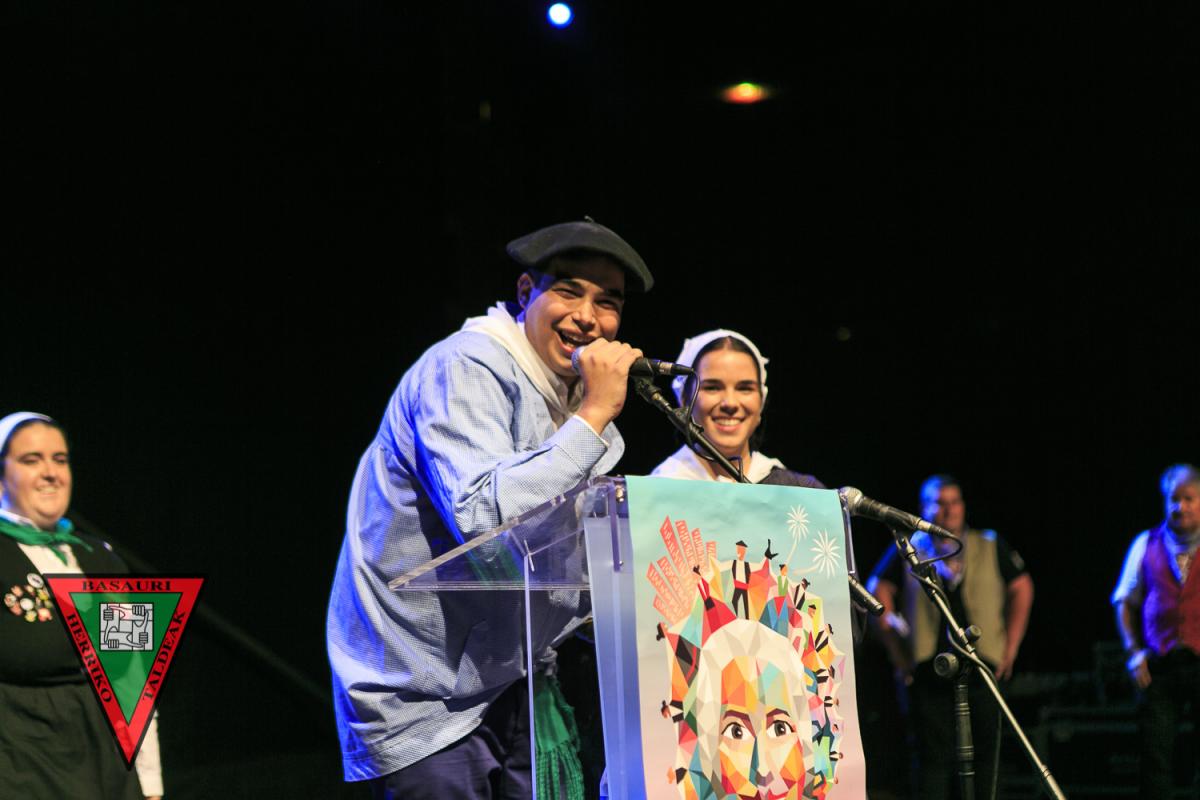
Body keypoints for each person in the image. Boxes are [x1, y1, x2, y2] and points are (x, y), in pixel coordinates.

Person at [326, 220, 654, 799]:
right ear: (526, 292)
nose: (588, 317)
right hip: (422, 697)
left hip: (514, 680)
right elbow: (482, 516)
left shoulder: (568, 392)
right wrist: (594, 417)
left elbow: (557, 548)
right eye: (569, 291)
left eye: (608, 302)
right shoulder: (466, 366)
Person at [0, 412, 163, 800]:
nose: (50, 473)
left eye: (60, 459)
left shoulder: (102, 559)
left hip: (107, 767)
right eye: (31, 460)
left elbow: (131, 679)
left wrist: (151, 784)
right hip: (21, 766)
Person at [867, 474, 1033, 800]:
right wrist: (897, 652)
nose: (949, 510)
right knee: (933, 758)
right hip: (930, 667)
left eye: (955, 502)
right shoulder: (911, 546)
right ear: (924, 508)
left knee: (988, 755)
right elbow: (877, 588)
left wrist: (1011, 646)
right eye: (940, 503)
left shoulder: (987, 543)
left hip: (982, 664)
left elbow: (1022, 586)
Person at [1112, 463, 1200, 798]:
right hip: (1161, 666)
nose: (1181, 507)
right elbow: (1124, 601)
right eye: (1174, 499)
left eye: (1189, 498)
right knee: (1154, 756)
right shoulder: (1146, 543)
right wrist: (1133, 653)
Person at [650, 329, 822, 488]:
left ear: (761, 400)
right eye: (712, 387)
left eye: (745, 388)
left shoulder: (801, 493)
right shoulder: (658, 491)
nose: (730, 403)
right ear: (684, 399)